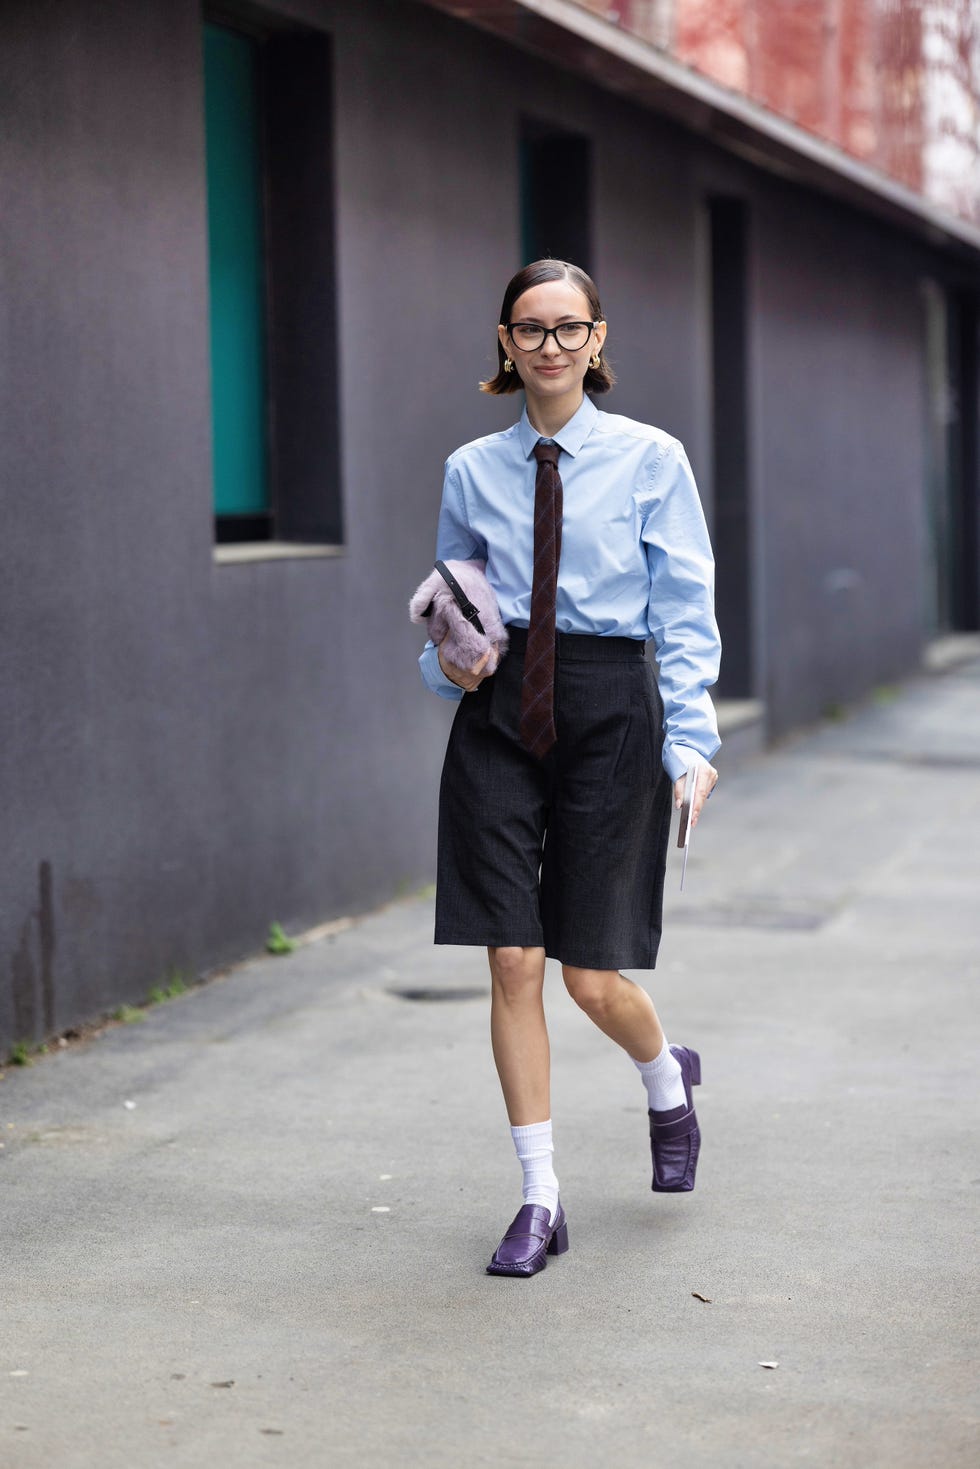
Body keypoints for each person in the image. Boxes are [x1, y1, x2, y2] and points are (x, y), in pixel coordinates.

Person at [418, 259, 721, 1277]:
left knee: (589, 975)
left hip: (606, 710)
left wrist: (691, 740)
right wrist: (444, 656)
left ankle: (664, 1079)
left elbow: (681, 610)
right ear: (503, 343)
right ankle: (539, 1198)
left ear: (596, 341)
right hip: (500, 715)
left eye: (567, 328)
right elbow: (455, 595)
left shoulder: (649, 459)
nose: (548, 345)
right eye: (529, 328)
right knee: (509, 957)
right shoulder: (469, 468)